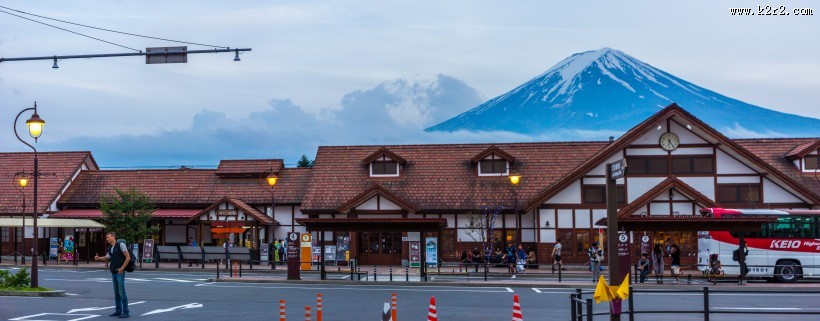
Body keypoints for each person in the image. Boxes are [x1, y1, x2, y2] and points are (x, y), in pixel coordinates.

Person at [94, 232, 131, 318]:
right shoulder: (110, 247)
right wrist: (99, 258)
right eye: (106, 238)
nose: (107, 239)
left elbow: (128, 257)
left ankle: (126, 312)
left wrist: (122, 268)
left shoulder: (121, 245)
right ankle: (118, 310)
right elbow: (107, 258)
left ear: (113, 237)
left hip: (120, 272)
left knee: (122, 293)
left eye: (108, 237)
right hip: (113, 271)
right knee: (116, 293)